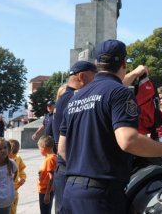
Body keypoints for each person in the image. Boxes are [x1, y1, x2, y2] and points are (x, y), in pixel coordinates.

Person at [58, 39, 162, 213]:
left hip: (70, 192)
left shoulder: (76, 97)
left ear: (97, 64)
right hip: (101, 196)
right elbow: (128, 141)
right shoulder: (119, 92)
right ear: (124, 63)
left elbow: (62, 147)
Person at [52, 60, 97, 213]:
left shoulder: (64, 98)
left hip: (65, 168)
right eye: (94, 79)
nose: (96, 85)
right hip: (70, 168)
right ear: (82, 77)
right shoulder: (73, 98)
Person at [38, 135, 57, 214]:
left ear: (44, 147)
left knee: (45, 212)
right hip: (46, 190)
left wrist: (47, 194)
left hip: (45, 191)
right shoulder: (53, 157)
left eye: (39, 148)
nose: (39, 150)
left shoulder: (49, 159)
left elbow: (51, 177)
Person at [8, 139, 26, 214]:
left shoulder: (18, 158)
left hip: (15, 190)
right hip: (5, 190)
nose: (14, 155)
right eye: (12, 153)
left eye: (15, 153)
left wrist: (23, 178)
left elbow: (21, 170)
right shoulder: (3, 160)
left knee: (13, 210)